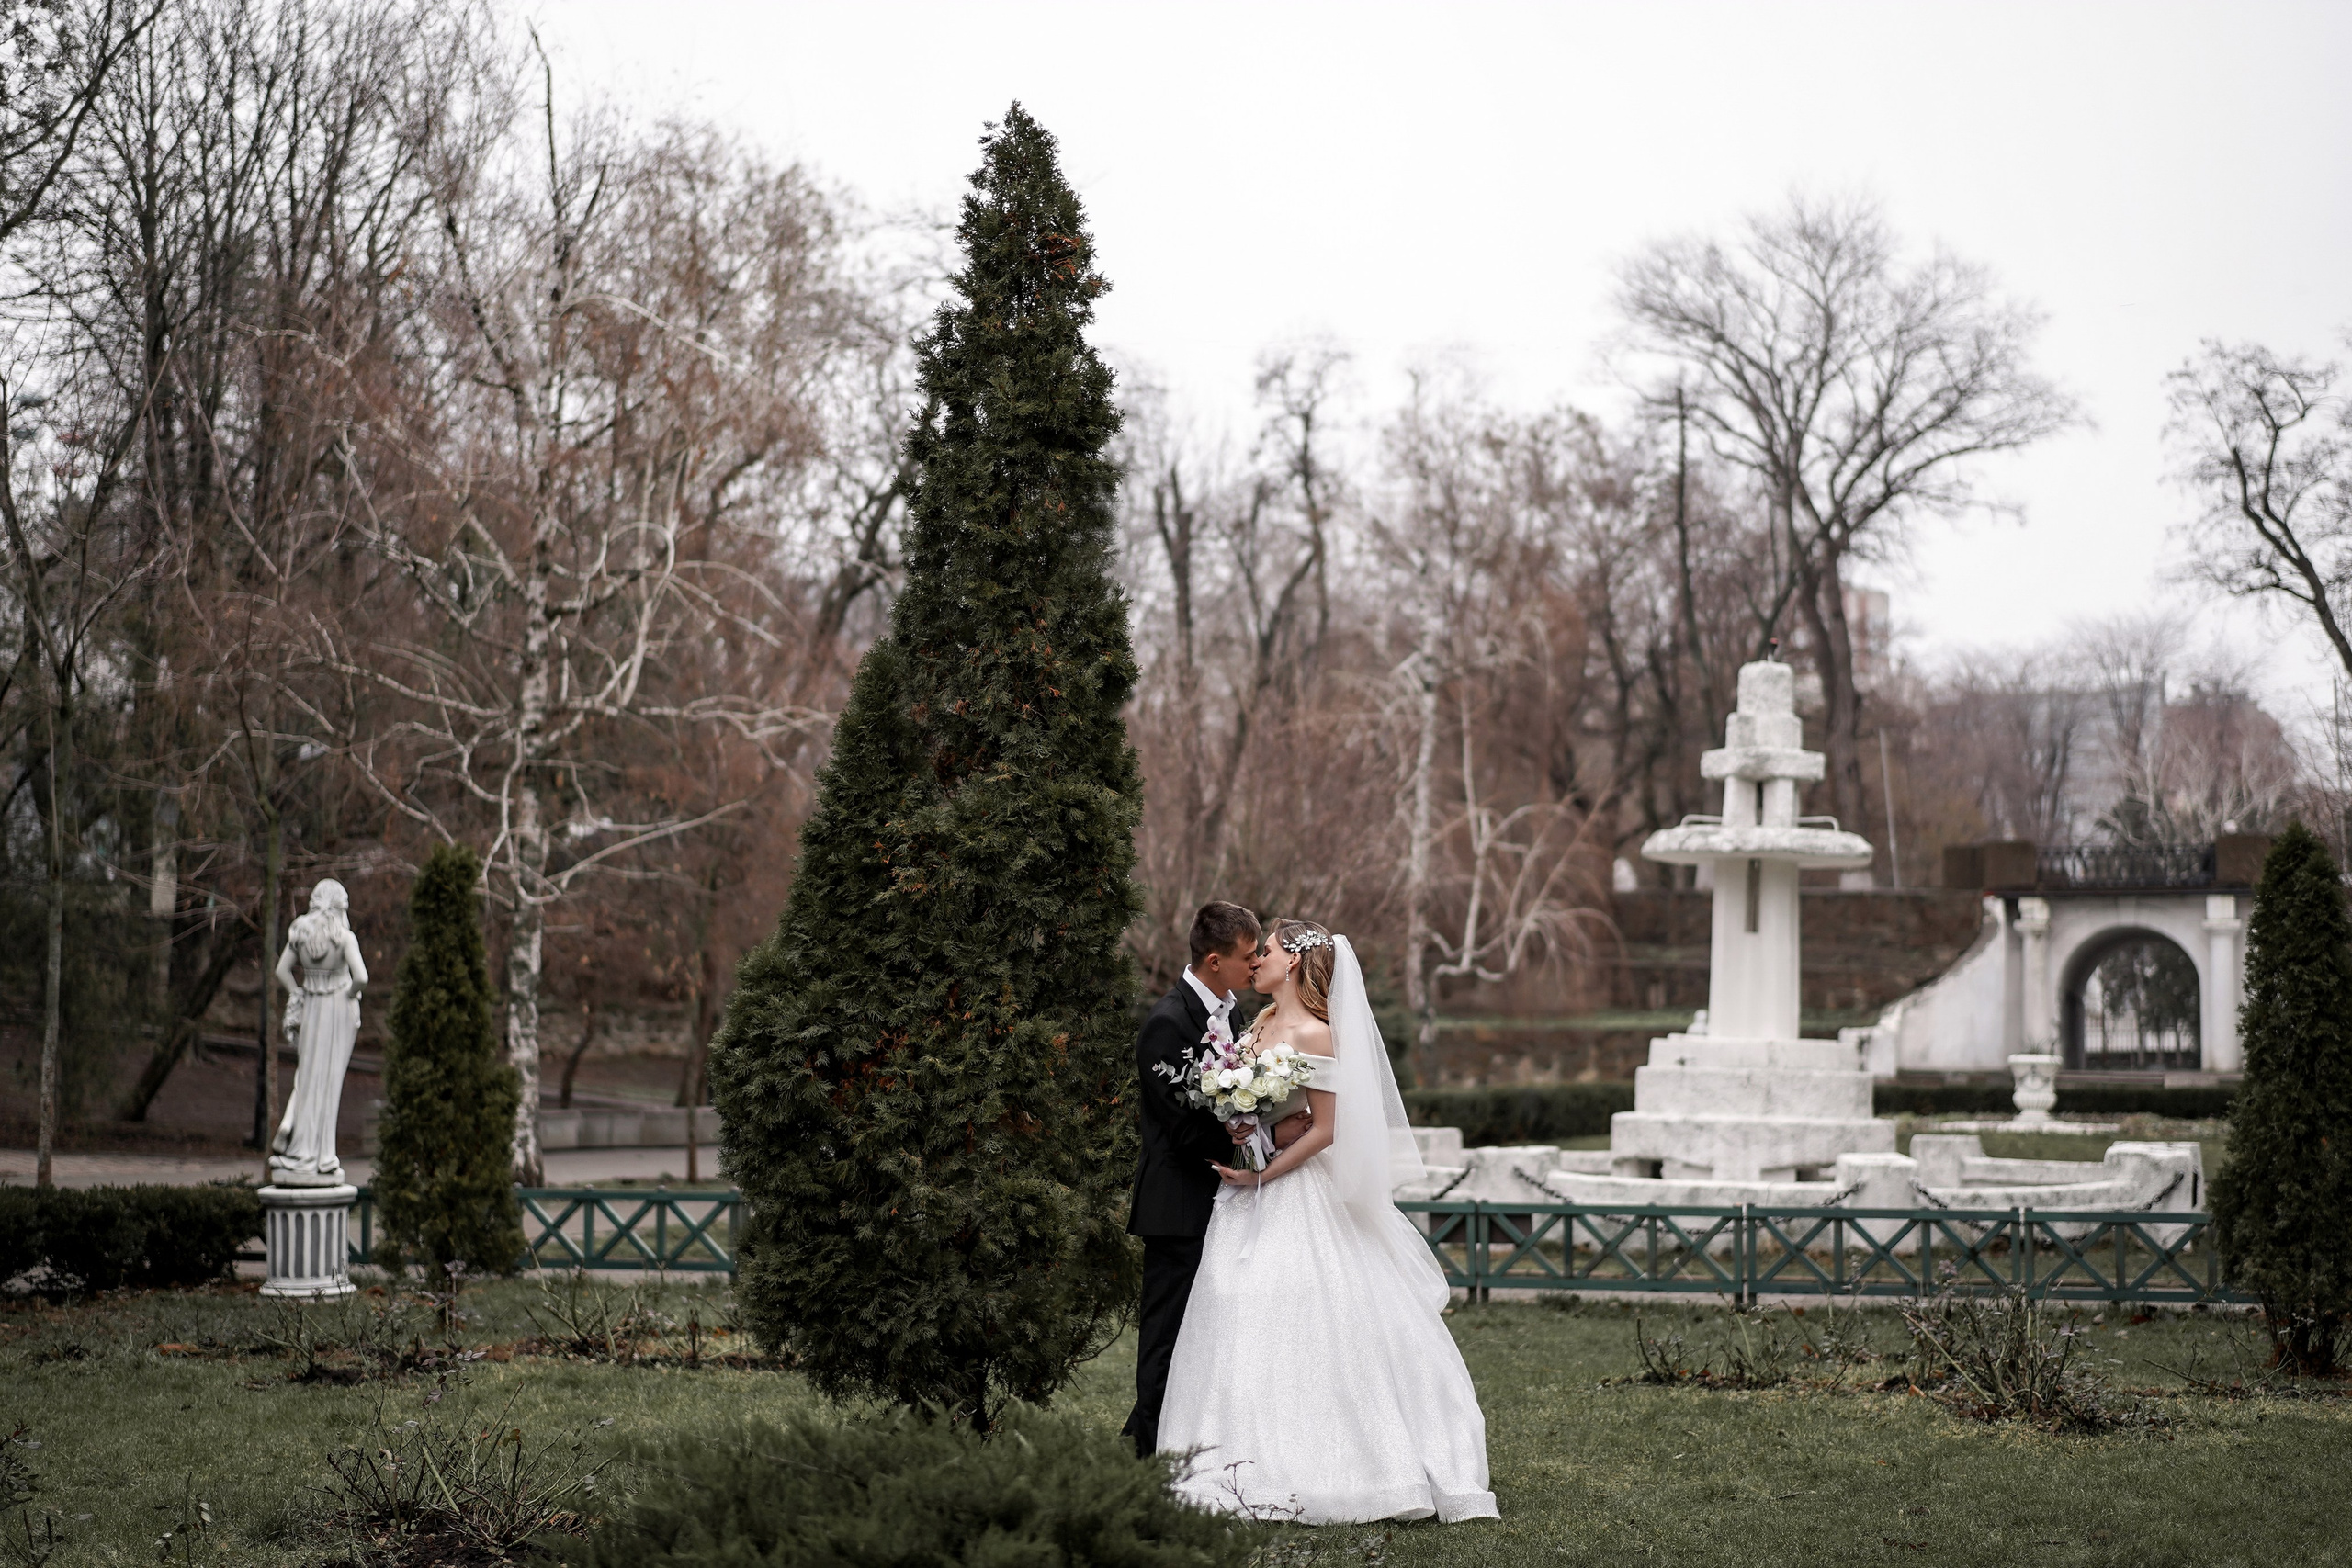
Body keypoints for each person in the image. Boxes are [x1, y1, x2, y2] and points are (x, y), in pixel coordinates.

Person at [1156, 918, 1498, 1525]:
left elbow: (1326, 1128)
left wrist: (1263, 1173)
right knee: (1236, 1307)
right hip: (1242, 1196)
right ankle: (1225, 1454)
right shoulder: (1255, 1024)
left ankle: (1344, 1465)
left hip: (1292, 1191)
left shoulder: (1317, 1033)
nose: (1256, 958)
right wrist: (1241, 1134)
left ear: (1295, 961)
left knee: (1304, 1308)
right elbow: (1253, 1108)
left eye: (1267, 950)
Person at [1123, 900, 1264, 1458]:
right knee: (1167, 1333)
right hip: (1177, 1203)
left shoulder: (1226, 1013)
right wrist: (1245, 1136)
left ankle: (1165, 1437)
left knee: (1204, 1330)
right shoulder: (1167, 1022)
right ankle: (1145, 1448)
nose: (1254, 967)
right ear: (1213, 960)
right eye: (1247, 957)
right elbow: (1180, 1125)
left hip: (1218, 1197)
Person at [267, 879, 368, 1186]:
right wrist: (349, 993)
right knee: (329, 1082)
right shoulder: (344, 937)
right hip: (337, 1009)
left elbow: (281, 971)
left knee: (308, 1076)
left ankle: (299, 1147)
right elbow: (361, 977)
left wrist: (297, 993)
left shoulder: (301, 931)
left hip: (311, 1004)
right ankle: (324, 1155)